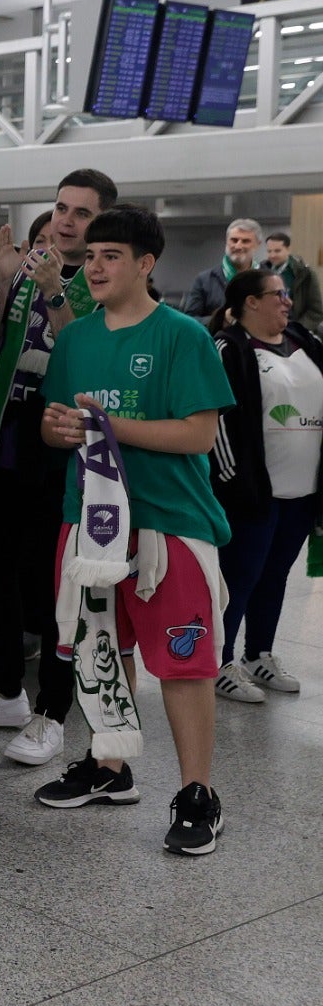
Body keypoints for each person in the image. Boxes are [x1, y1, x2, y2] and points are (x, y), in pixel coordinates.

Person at [38, 204, 233, 856]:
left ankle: (197, 792)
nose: (93, 266)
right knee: (102, 651)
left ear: (146, 264)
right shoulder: (75, 339)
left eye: (111, 255)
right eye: (90, 255)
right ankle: (109, 766)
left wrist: (109, 427)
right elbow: (53, 423)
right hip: (91, 526)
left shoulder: (183, 336)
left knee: (183, 662)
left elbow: (198, 433)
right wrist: (65, 429)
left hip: (165, 524)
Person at [0, 169, 118, 767]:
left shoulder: (103, 281)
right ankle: (5, 687)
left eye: (81, 213)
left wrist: (58, 292)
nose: (65, 220)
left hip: (67, 442)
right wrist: (5, 283)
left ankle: (53, 711)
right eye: (61, 208)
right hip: (8, 435)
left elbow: (84, 350)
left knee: (55, 581)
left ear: (102, 221)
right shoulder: (32, 269)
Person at [209, 267, 319, 702]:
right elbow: (216, 418)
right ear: (251, 302)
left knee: (275, 576)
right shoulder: (229, 348)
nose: (287, 301)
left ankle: (259, 654)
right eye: (278, 294)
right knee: (239, 578)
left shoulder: (305, 343)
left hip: (301, 492)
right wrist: (235, 481)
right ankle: (219, 663)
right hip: (251, 493)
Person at [181, 218, 261, 320]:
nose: (238, 246)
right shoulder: (205, 280)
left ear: (258, 244)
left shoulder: (269, 281)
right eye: (234, 240)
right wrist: (220, 319)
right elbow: (189, 320)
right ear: (226, 241)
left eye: (245, 241)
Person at [263, 231, 323, 332]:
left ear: (288, 249)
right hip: (267, 330)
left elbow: (316, 311)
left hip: (297, 330)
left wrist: (297, 330)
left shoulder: (305, 273)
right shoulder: (261, 271)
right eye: (269, 251)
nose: (272, 255)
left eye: (277, 251)